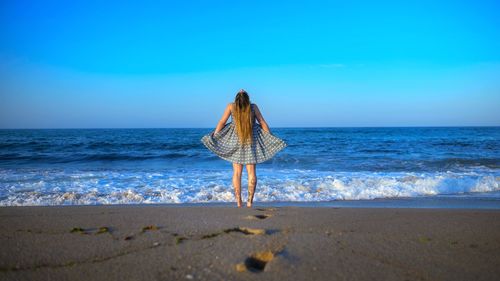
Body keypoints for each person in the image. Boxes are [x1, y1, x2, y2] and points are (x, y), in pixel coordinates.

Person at [201, 89, 287, 207]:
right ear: (247, 99)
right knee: (251, 172)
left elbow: (222, 122)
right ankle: (250, 202)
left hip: (235, 142)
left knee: (237, 173)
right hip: (251, 142)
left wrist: (215, 135)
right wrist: (270, 137)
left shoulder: (231, 106)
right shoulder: (253, 107)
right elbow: (262, 122)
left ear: (236, 99)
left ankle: (238, 202)